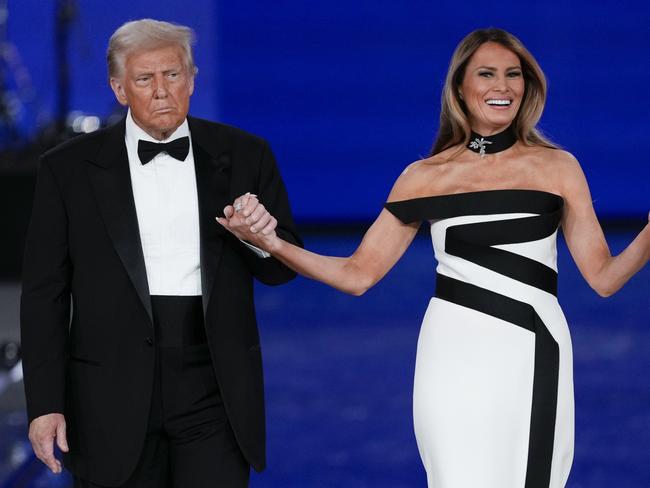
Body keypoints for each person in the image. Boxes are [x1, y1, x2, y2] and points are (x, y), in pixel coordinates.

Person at [218, 28, 650, 487]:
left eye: (513, 75)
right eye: (486, 74)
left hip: (533, 350)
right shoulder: (423, 177)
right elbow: (357, 275)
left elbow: (604, 277)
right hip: (450, 352)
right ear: (460, 89)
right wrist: (273, 244)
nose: (502, 87)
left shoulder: (559, 167)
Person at [20, 19, 301, 488]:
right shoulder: (67, 171)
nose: (162, 91)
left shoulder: (246, 156)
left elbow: (283, 268)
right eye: (144, 79)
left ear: (192, 78)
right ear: (118, 88)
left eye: (173, 75)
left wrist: (260, 241)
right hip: (108, 390)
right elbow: (44, 294)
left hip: (215, 386)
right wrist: (45, 404)